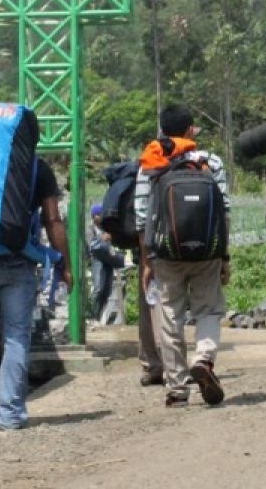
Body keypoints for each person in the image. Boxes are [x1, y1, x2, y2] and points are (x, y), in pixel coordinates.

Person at [135, 104, 230, 407]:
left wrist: (147, 261)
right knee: (209, 310)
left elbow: (142, 215)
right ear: (190, 130)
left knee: (169, 315)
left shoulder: (151, 163)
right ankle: (203, 358)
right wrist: (224, 256)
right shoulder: (209, 161)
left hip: (166, 253)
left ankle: (177, 387)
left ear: (162, 131)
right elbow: (223, 211)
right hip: (206, 252)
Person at [0, 154, 72, 430]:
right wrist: (66, 263)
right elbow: (53, 219)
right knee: (15, 337)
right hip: (19, 261)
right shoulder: (38, 166)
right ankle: (10, 414)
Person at [88, 204, 126, 322]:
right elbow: (91, 245)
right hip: (98, 260)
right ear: (94, 216)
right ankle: (93, 315)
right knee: (98, 288)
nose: (100, 217)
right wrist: (101, 238)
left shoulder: (106, 228)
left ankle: (99, 316)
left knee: (107, 290)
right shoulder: (90, 229)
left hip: (108, 260)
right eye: (98, 215)